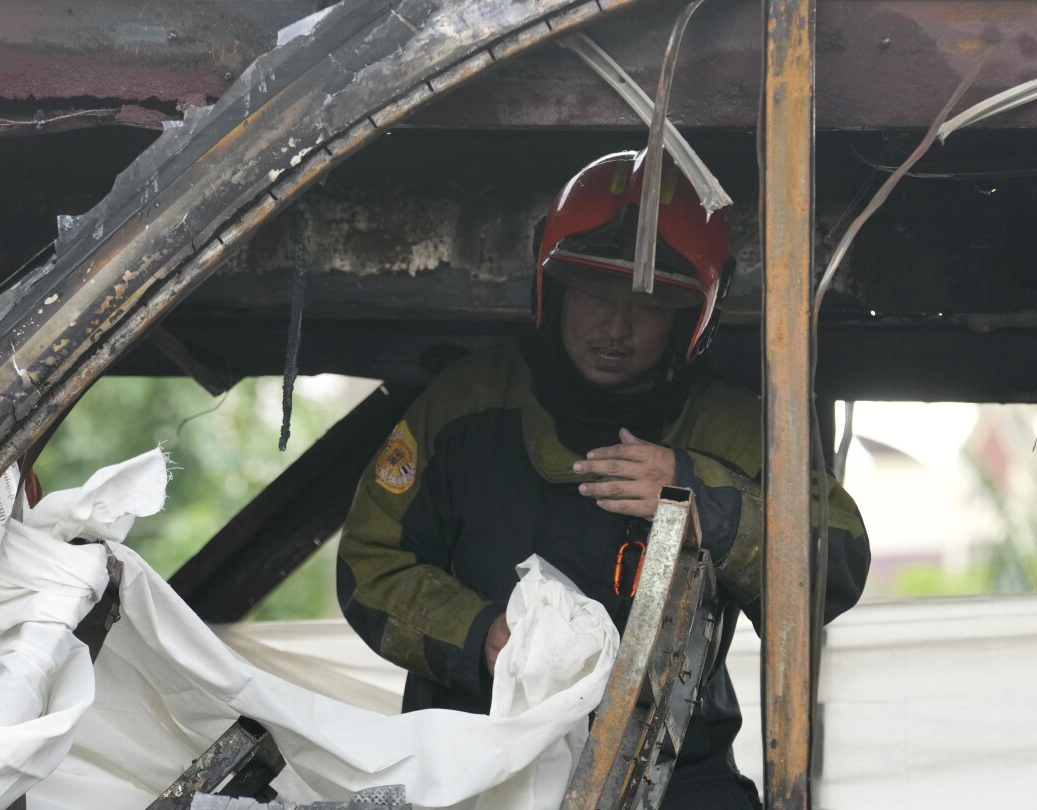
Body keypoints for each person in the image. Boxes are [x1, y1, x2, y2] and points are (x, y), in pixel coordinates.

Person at [337, 151, 870, 809]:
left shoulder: (733, 431)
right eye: (593, 295)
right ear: (552, 287)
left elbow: (836, 563)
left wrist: (702, 499)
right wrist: (482, 637)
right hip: (479, 754)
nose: (615, 328)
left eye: (648, 305)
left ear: (693, 312)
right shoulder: (464, 406)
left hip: (676, 774)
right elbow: (370, 565)